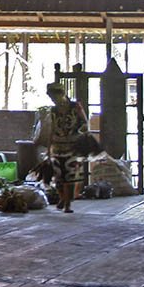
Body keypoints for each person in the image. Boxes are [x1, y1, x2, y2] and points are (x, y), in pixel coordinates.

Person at [46, 82, 89, 214]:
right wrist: (49, 148)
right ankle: (62, 198)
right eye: (52, 99)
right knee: (59, 175)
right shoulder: (53, 111)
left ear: (62, 94)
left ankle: (68, 203)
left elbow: (85, 123)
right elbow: (52, 129)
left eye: (55, 97)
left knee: (70, 174)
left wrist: (80, 134)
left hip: (73, 146)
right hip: (57, 146)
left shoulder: (75, 107)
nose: (54, 101)